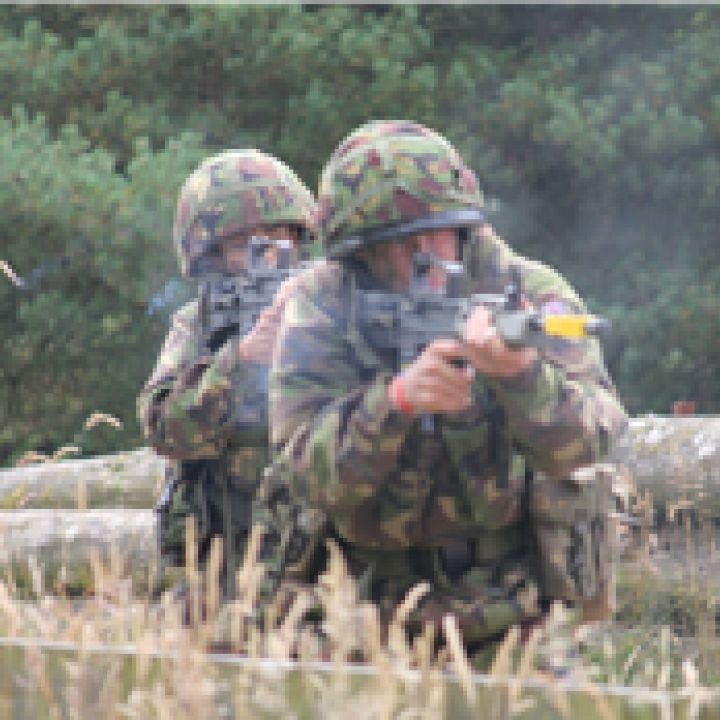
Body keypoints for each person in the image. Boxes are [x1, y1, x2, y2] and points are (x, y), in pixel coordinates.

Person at [265, 120, 628, 657]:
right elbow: (300, 471)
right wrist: (395, 404)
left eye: (441, 232)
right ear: (359, 256)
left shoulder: (527, 291)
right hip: (358, 619)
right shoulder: (321, 306)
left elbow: (593, 440)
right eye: (400, 245)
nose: (428, 256)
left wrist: (520, 378)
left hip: (513, 620)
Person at [138, 149, 317, 602]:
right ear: (210, 257)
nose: (269, 254)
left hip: (323, 568)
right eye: (246, 244)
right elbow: (161, 427)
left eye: (279, 236)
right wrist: (240, 361)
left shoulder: (329, 306)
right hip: (225, 570)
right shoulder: (197, 324)